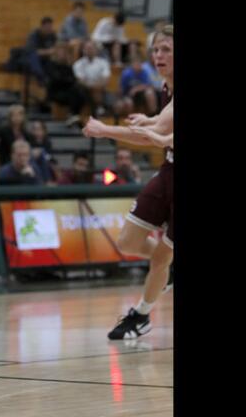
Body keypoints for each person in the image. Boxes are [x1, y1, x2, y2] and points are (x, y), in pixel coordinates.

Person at [83, 23, 173, 340]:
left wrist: (105, 130)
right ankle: (167, 268)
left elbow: (158, 136)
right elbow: (163, 126)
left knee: (161, 256)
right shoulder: (166, 85)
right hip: (169, 173)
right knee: (128, 242)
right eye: (156, 49)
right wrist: (150, 121)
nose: (159, 55)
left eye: (166, 50)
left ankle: (141, 314)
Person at [120, 43, 162, 117]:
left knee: (150, 93)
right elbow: (122, 89)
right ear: (131, 64)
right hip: (129, 95)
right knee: (129, 102)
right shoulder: (127, 73)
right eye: (136, 63)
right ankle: (131, 121)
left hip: (143, 94)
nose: (138, 65)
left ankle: (154, 116)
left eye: (139, 63)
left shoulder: (143, 71)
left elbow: (148, 84)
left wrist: (137, 88)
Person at [73, 40, 113, 117]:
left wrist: (96, 86)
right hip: (85, 91)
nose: (89, 50)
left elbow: (105, 79)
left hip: (101, 89)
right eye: (87, 48)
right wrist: (93, 86)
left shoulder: (103, 62)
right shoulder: (78, 64)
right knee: (81, 90)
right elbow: (81, 80)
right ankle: (97, 109)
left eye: (91, 48)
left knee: (113, 99)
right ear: (83, 50)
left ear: (96, 50)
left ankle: (99, 111)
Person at [23, 17, 59, 86]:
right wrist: (48, 51)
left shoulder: (52, 35)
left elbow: (56, 47)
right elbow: (33, 51)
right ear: (42, 26)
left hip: (46, 58)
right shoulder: (34, 35)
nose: (49, 29)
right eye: (47, 27)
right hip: (31, 59)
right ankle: (41, 78)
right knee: (33, 57)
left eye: (50, 27)